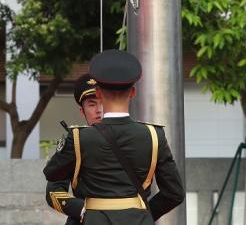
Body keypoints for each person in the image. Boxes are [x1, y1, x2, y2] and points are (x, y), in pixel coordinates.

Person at [44, 50, 185, 224]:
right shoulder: (154, 135)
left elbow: (50, 173)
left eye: (99, 101)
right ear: (133, 92)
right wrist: (141, 215)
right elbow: (174, 193)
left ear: (100, 93)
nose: (98, 110)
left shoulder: (76, 138)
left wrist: (91, 215)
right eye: (91, 104)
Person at [45, 73, 104, 224]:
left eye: (103, 102)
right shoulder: (75, 141)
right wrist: (84, 210)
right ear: (82, 111)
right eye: (92, 104)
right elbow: (53, 191)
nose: (99, 110)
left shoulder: (131, 137)